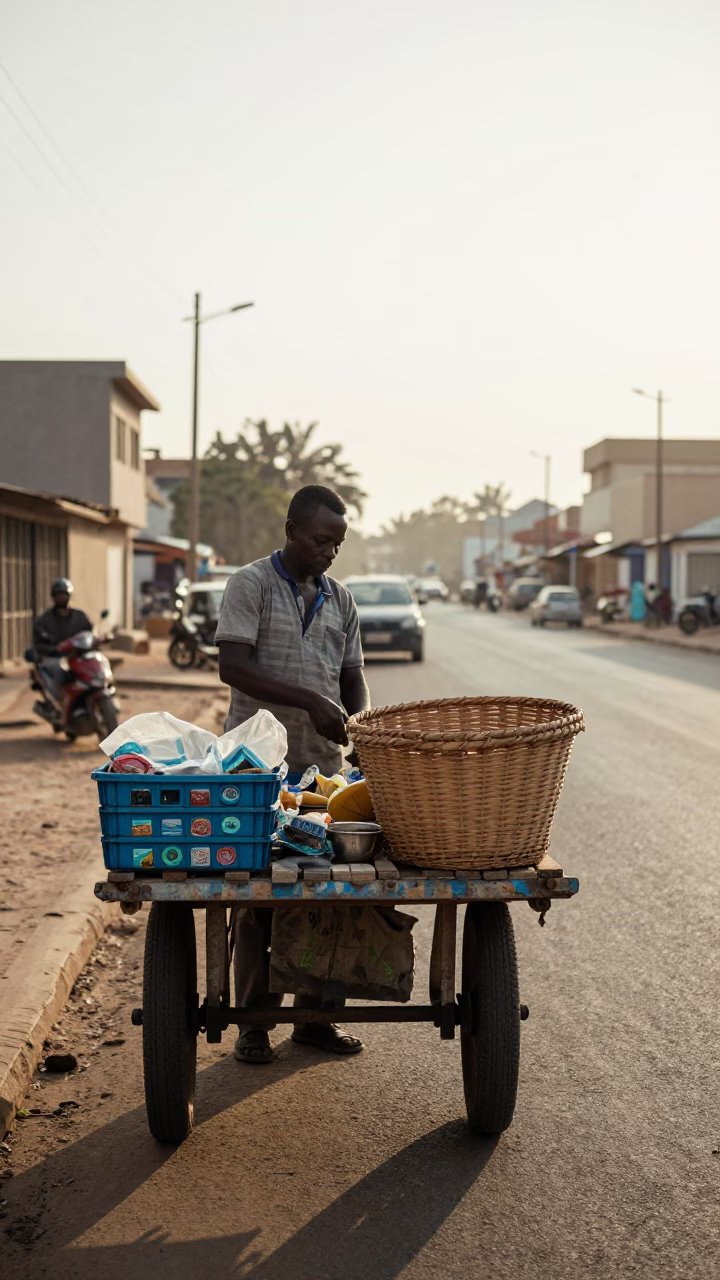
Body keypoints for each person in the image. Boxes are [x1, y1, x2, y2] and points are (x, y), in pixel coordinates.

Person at [216, 485, 371, 1064]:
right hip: (256, 772)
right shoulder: (250, 585)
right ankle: (254, 1023)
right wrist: (308, 699)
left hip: (322, 774)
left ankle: (316, 1019)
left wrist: (361, 727)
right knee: (259, 897)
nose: (330, 552)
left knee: (325, 896)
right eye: (320, 540)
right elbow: (234, 666)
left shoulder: (342, 599)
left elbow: (352, 677)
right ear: (291, 530)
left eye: (338, 543)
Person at [32, 579, 93, 707]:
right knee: (58, 667)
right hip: (57, 657)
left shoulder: (79, 616)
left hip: (78, 655)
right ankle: (61, 699)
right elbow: (39, 643)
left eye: (64, 594)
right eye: (58, 595)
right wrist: (54, 649)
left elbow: (90, 633)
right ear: (53, 596)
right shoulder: (45, 620)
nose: (61, 598)